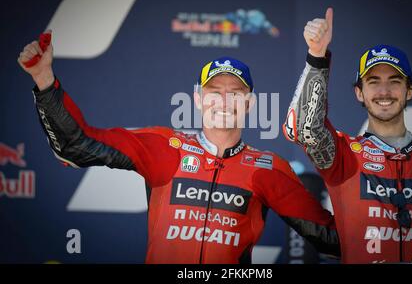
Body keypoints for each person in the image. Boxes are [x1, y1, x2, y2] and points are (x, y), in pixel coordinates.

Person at [18, 30, 339, 264]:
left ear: (250, 103)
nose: (224, 101)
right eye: (215, 91)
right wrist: (45, 79)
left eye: (235, 92)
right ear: (198, 100)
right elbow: (76, 146)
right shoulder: (164, 146)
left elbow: (331, 239)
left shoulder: (268, 168)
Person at [283, 7, 412, 263]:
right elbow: (303, 128)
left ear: (409, 90)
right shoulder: (344, 154)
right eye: (373, 81)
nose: (384, 90)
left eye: (395, 81)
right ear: (359, 93)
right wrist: (317, 55)